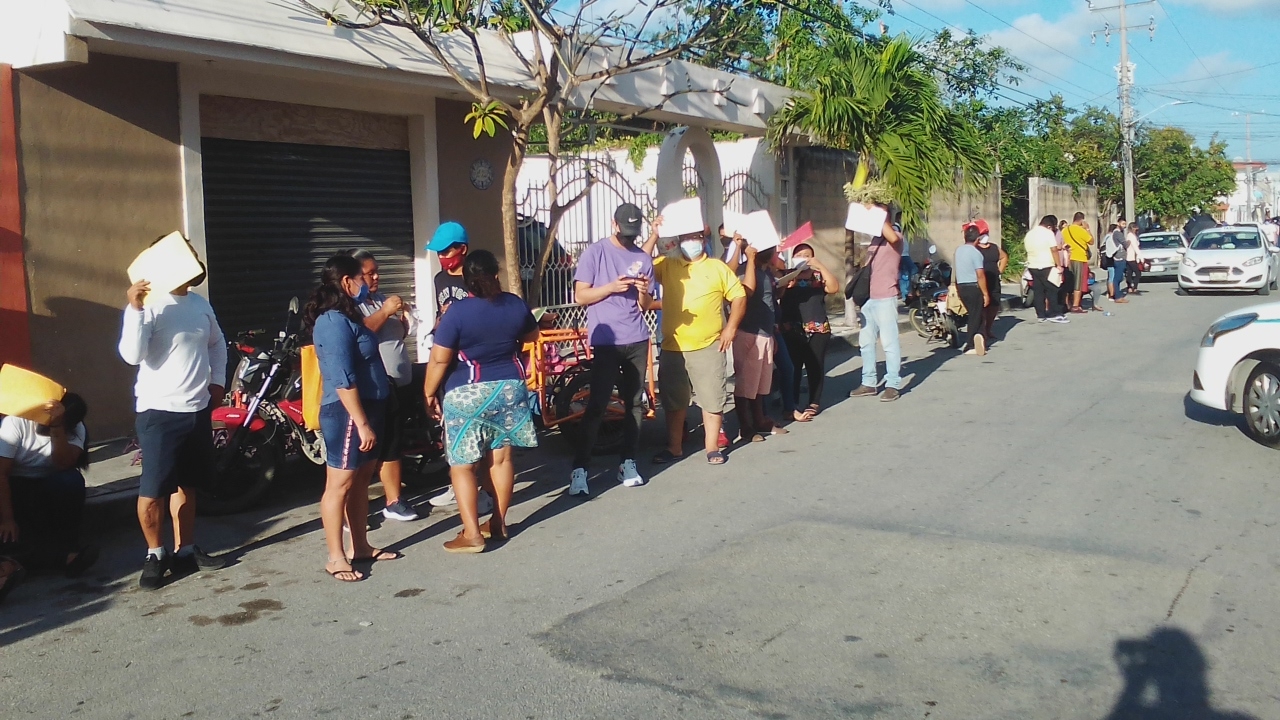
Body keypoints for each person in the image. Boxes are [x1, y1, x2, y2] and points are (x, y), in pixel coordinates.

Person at [118, 239, 227, 590]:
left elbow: (217, 344)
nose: (196, 259)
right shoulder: (150, 306)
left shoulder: (199, 304)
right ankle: (155, 554)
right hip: (158, 412)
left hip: (196, 409)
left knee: (187, 483)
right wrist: (133, 309)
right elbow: (132, 356)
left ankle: (186, 550)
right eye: (190, 254)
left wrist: (218, 383)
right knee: (153, 489)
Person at [423, 250, 539, 553]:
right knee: (500, 459)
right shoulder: (514, 304)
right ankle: (499, 522)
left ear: (467, 280)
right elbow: (533, 335)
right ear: (496, 275)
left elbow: (438, 360)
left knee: (463, 466)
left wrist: (427, 392)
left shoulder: (457, 314)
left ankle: (472, 533)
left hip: (467, 392)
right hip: (510, 388)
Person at [306, 253, 398, 582]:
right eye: (362, 277)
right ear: (347, 282)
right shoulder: (331, 322)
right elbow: (342, 378)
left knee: (360, 481)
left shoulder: (351, 317)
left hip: (370, 407)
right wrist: (361, 422)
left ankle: (361, 546)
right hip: (347, 413)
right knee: (339, 484)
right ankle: (336, 556)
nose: (368, 282)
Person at [568, 203, 655, 497]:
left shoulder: (643, 258)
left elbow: (645, 306)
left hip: (637, 337)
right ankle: (580, 469)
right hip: (606, 340)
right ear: (614, 224)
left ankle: (627, 462)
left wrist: (643, 293)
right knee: (598, 405)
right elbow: (581, 295)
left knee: (633, 404)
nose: (629, 238)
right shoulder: (596, 252)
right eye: (625, 231)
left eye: (634, 233)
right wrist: (610, 287)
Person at [648, 222, 746, 465]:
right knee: (674, 400)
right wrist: (654, 235)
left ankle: (712, 447)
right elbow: (639, 266)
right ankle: (674, 447)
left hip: (709, 345)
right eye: (686, 237)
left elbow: (739, 296)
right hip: (673, 347)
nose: (691, 242)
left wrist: (730, 328)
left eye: (695, 237)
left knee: (712, 397)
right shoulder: (668, 264)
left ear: (703, 240)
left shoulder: (716, 268)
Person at [423, 223, 491, 514]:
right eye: (438, 251)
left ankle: (483, 490)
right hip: (447, 362)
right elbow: (441, 313)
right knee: (450, 428)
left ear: (462, 249)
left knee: (479, 432)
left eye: (446, 250)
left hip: (473, 364)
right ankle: (458, 484)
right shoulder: (439, 279)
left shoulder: (474, 279)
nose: (442, 256)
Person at [352, 250, 419, 523]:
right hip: (372, 387)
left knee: (393, 445)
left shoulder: (381, 300)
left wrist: (404, 318)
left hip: (398, 384)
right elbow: (360, 333)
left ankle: (393, 501)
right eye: (370, 273)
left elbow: (398, 335)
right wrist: (385, 312)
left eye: (377, 271)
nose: (376, 277)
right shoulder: (351, 306)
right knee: (365, 451)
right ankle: (354, 510)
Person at [0, 394, 98, 578]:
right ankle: (63, 559)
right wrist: (7, 519)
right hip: (14, 483)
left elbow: (63, 463)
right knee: (13, 535)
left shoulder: (76, 429)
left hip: (50, 482)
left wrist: (57, 428)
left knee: (71, 481)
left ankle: (68, 545)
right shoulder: (16, 422)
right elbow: (1, 473)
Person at [849, 209, 907, 400]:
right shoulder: (875, 239)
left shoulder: (896, 236)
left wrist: (878, 213)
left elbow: (892, 237)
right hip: (869, 298)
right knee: (866, 343)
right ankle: (869, 382)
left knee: (889, 343)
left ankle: (892, 384)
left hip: (885, 297)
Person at [733, 244, 786, 442]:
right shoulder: (745, 270)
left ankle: (760, 420)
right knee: (745, 384)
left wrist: (772, 332)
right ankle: (745, 426)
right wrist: (749, 259)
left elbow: (770, 300)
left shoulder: (767, 272)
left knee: (760, 383)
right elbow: (747, 292)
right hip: (748, 332)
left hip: (766, 333)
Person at [779, 243, 838, 420]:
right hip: (792, 327)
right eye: (799, 255)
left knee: (815, 366)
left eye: (807, 255)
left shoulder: (818, 276)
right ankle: (792, 403)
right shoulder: (787, 275)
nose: (803, 258)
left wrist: (820, 265)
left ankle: (814, 402)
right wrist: (785, 286)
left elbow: (833, 288)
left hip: (818, 328)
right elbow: (777, 296)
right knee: (793, 368)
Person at [1023, 215, 1069, 324]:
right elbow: (1053, 250)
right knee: (1052, 290)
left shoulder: (1030, 233)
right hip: (1047, 265)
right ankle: (1054, 313)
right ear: (1049, 226)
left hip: (1032, 265)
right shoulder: (1048, 233)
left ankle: (1041, 314)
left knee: (1038, 291)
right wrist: (1059, 265)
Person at [954, 225, 991, 356]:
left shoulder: (958, 250)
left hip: (961, 286)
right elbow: (980, 275)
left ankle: (980, 338)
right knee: (975, 315)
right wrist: (986, 294)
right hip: (973, 287)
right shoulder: (976, 253)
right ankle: (969, 344)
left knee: (977, 314)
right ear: (977, 239)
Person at [971, 219, 1007, 342]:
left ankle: (988, 328)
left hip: (994, 281)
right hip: (981, 281)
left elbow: (1004, 257)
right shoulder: (974, 249)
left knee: (994, 306)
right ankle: (982, 331)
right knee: (982, 307)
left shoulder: (994, 247)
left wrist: (999, 271)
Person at [1062, 212, 1094, 313]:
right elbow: (1091, 241)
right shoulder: (1081, 230)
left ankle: (1067, 304)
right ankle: (1076, 305)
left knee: (1068, 282)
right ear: (1081, 220)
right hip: (1079, 258)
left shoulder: (1065, 230)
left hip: (1068, 258)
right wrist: (1087, 229)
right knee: (1078, 283)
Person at [1104, 222, 1130, 304]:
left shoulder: (1116, 233)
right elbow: (1125, 244)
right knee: (1117, 278)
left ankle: (1117, 294)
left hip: (1118, 258)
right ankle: (1117, 296)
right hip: (1119, 258)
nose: (1124, 226)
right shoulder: (1118, 233)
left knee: (1119, 277)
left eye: (1125, 224)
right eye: (1123, 224)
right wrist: (1129, 242)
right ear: (1118, 224)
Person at [1125, 223, 1143, 295]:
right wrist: (1141, 257)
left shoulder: (1132, 236)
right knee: (1138, 273)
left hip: (1130, 257)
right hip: (1131, 257)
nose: (1137, 230)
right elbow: (1135, 247)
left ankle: (1129, 288)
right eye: (1135, 228)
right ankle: (1134, 288)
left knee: (1129, 273)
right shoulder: (1131, 236)